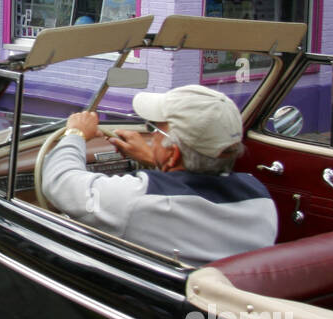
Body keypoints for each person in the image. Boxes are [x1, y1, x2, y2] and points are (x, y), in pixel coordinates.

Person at [41, 85, 277, 265]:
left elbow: (60, 181)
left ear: (173, 153)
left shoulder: (138, 199)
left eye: (154, 129)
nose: (151, 136)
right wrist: (155, 159)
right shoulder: (262, 201)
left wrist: (75, 133)